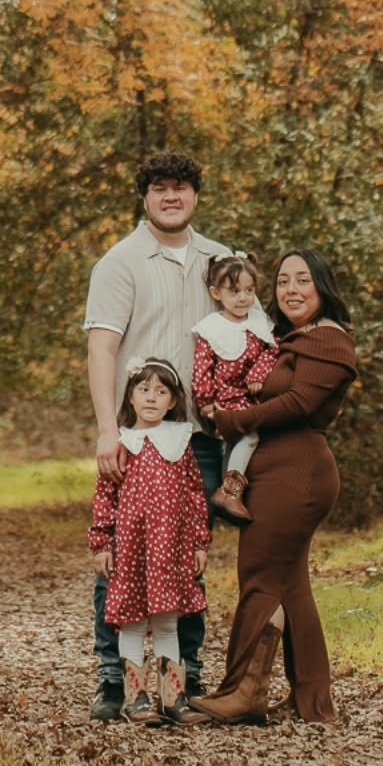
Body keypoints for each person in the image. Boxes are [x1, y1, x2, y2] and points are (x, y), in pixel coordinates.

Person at [84, 151, 230, 722]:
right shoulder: (120, 263)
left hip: (200, 435)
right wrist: (105, 431)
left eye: (182, 188)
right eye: (161, 188)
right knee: (119, 557)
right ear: (145, 196)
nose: (172, 197)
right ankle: (114, 680)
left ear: (196, 195)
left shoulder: (220, 260)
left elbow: (248, 336)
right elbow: (102, 348)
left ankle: (184, 679)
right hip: (134, 436)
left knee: (187, 557)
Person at [193, 247, 357, 726]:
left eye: (302, 280)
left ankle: (243, 691)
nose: (291, 290)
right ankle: (313, 701)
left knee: (261, 573)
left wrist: (232, 420)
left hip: (298, 470)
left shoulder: (329, 340)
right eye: (283, 282)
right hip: (276, 468)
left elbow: (300, 403)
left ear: (322, 286)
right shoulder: (286, 338)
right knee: (292, 585)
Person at [88, 357, 212, 726]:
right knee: (132, 622)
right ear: (130, 395)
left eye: (161, 391)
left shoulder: (181, 442)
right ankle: (136, 700)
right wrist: (101, 543)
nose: (152, 398)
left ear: (173, 401)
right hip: (132, 550)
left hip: (169, 551)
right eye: (144, 389)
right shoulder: (122, 442)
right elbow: (105, 496)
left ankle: (173, 698)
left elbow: (194, 496)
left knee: (168, 623)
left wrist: (198, 544)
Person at [190, 252, 277, 522]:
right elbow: (202, 365)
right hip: (226, 399)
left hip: (252, 397)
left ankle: (232, 496)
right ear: (216, 293)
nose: (243, 298)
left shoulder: (258, 322)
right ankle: (230, 493)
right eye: (235, 291)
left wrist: (259, 374)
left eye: (249, 290)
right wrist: (204, 401)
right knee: (249, 436)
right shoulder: (212, 328)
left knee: (248, 442)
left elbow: (272, 351)